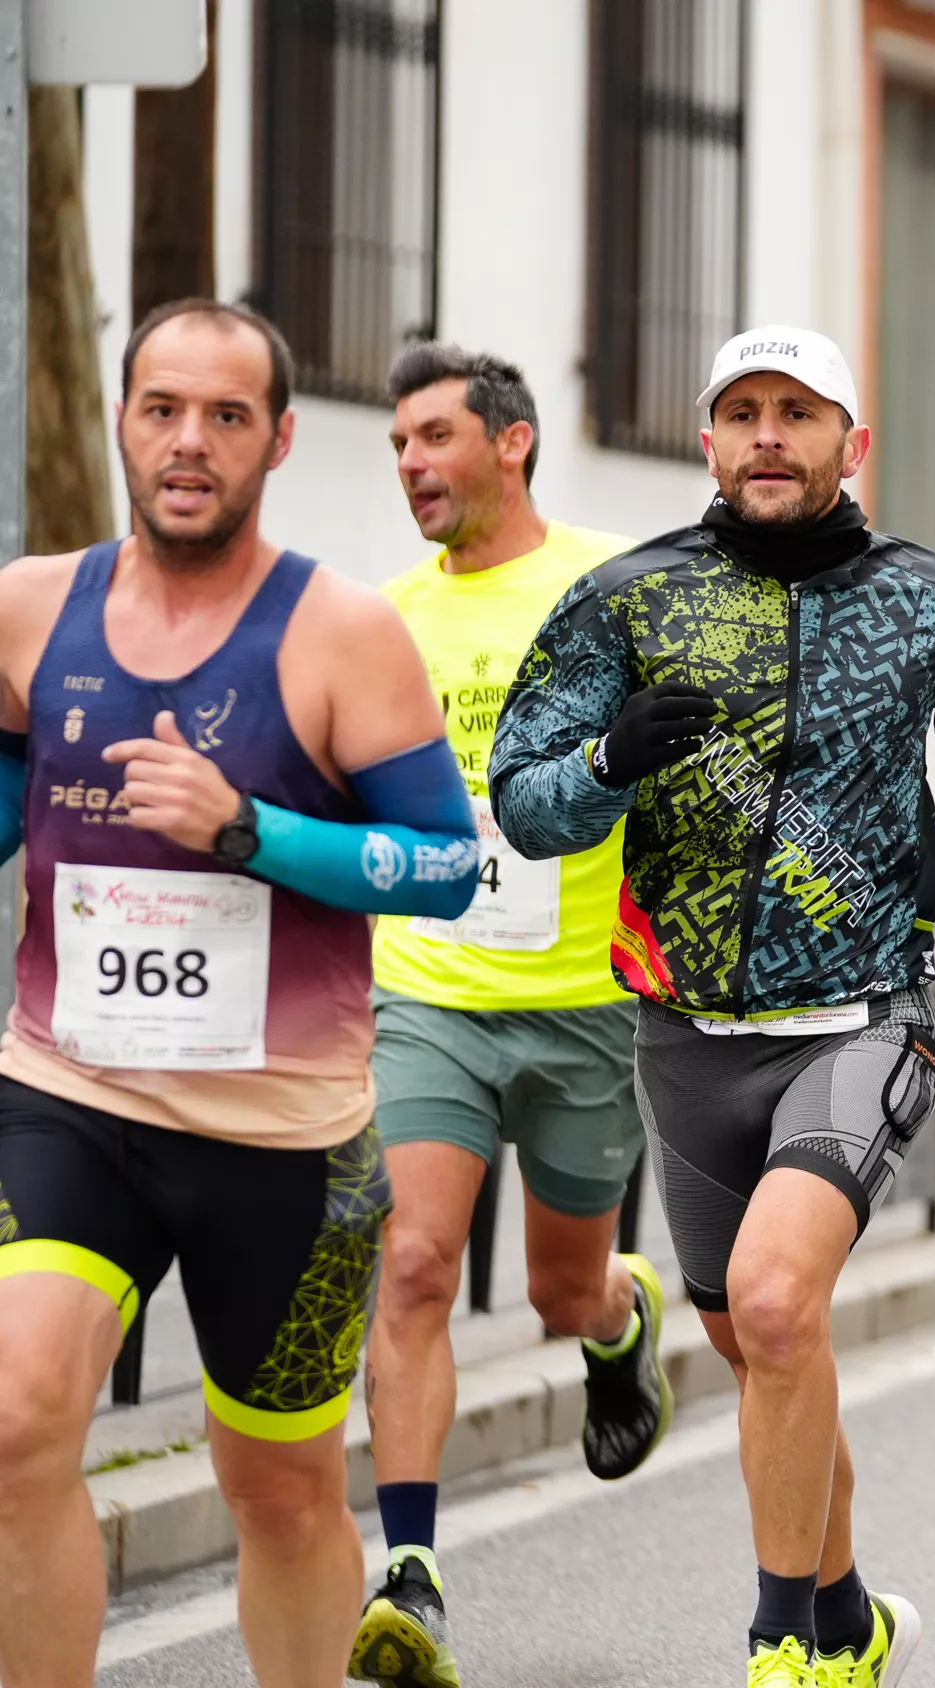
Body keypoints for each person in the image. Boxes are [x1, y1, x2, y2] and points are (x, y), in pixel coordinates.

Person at [489, 325, 935, 1688]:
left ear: (849, 444)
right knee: (763, 1350)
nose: (765, 435)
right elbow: (523, 800)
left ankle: (780, 1644)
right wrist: (608, 758)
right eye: (740, 411)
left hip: (866, 1013)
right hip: (686, 1033)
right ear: (707, 440)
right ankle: (854, 1615)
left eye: (796, 413)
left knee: (778, 1302)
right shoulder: (627, 602)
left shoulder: (929, 599)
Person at [0, 299, 482, 1686]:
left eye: (225, 416)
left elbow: (447, 869)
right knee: (21, 1417)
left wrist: (246, 831)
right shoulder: (34, 609)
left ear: (278, 438)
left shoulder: (340, 633)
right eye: (163, 409)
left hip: (283, 1141)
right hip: (68, 1094)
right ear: (122, 424)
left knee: (275, 1489)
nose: (189, 443)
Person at [344, 344, 668, 1688]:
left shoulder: (612, 589)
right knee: (413, 1262)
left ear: (512, 442)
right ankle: (409, 1572)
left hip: (582, 1002)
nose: (413, 464)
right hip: (429, 994)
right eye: (399, 446)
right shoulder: (380, 619)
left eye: (434, 438)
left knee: (555, 1287)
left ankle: (618, 1324)